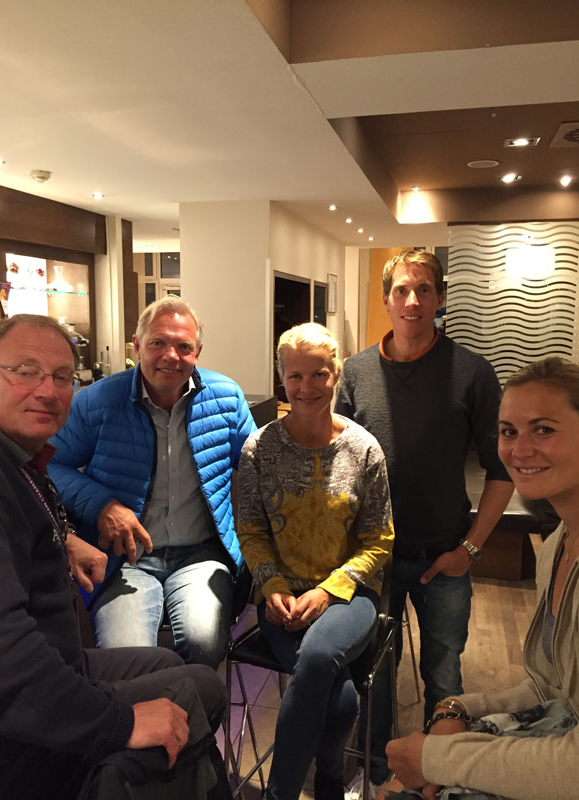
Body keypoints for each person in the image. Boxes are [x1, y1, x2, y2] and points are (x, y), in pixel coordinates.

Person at [0, 313, 231, 800]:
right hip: (13, 732)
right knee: (196, 692)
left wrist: (62, 539)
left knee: (186, 663)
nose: (47, 390)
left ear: (198, 352)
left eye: (61, 376)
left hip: (183, 566)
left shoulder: (13, 456)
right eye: (25, 371)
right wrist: (121, 722)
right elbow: (0, 660)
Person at [334, 250, 514, 795]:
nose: (413, 300)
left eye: (424, 290)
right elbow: (338, 461)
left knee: (444, 675)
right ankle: (374, 768)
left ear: (440, 299)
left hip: (444, 555)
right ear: (386, 299)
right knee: (374, 672)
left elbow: (502, 469)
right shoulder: (356, 372)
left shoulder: (472, 373)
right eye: (402, 290)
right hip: (374, 558)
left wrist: (470, 551)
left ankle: (441, 776)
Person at [384, 356, 579, 800]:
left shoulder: (467, 371)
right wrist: (459, 707)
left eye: (543, 429)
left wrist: (439, 758)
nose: (519, 450)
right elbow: (550, 687)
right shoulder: (556, 549)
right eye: (508, 431)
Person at [49, 295, 256, 668]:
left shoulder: (226, 396)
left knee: (205, 644)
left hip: (201, 555)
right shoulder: (96, 401)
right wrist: (102, 506)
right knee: (126, 660)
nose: (170, 356)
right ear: (137, 345)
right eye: (158, 342)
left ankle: (185, 708)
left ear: (198, 352)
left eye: (183, 346)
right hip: (124, 560)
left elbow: (259, 466)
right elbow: (50, 465)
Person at [237, 323, 394, 800]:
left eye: (318, 374)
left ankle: (279, 793)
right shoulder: (259, 448)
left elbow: (379, 539)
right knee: (341, 699)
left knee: (322, 655)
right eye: (295, 376)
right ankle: (329, 778)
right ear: (282, 378)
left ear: (337, 374)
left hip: (350, 596)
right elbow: (252, 530)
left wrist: (328, 591)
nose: (306, 387)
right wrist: (272, 586)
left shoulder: (364, 449)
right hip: (281, 598)